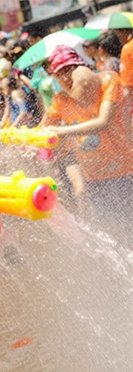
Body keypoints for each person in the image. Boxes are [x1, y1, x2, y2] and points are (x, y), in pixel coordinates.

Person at [42, 45, 133, 234]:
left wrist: (61, 132)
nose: (66, 77)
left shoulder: (108, 80)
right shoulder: (61, 100)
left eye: (69, 70)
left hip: (125, 168)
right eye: (60, 73)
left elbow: (103, 122)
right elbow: (43, 128)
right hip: (94, 176)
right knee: (112, 229)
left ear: (80, 67)